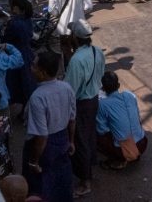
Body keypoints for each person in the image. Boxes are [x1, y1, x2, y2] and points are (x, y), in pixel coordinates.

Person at [23, 51, 76, 202]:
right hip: (62, 139)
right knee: (61, 181)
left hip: (43, 146)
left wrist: (34, 161)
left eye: (34, 66)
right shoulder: (66, 88)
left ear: (43, 72)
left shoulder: (38, 97)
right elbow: (72, 118)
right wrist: (71, 141)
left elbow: (42, 135)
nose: (31, 68)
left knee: (41, 185)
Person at [64, 19, 105, 197]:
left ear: (75, 37)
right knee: (89, 135)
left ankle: (85, 181)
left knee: (79, 141)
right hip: (94, 99)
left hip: (81, 104)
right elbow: (101, 73)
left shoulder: (76, 60)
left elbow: (70, 90)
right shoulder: (97, 51)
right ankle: (90, 165)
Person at [96, 71, 148, 170]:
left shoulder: (103, 104)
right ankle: (134, 154)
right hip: (143, 144)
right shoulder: (129, 95)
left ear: (103, 89)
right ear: (118, 85)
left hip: (124, 150)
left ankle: (118, 159)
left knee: (98, 134)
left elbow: (101, 130)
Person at [49, 0, 93, 69]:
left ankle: (70, 71)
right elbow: (89, 6)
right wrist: (79, 11)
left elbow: (52, 10)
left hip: (63, 28)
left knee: (66, 52)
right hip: (79, 27)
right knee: (80, 51)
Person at [3, 0, 36, 107]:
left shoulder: (14, 23)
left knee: (14, 83)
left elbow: (7, 38)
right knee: (27, 82)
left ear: (16, 7)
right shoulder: (27, 19)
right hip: (27, 53)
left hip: (15, 54)